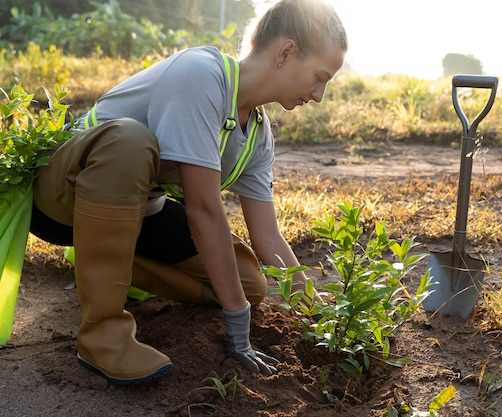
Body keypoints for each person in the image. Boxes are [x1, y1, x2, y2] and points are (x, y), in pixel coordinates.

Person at [28, 0, 347, 385]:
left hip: (135, 213)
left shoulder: (258, 137)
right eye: (319, 76)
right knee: (131, 140)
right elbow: (203, 208)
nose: (319, 94)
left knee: (248, 284)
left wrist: (321, 311)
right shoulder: (201, 74)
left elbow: (268, 237)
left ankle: (103, 271)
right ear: (286, 52)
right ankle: (102, 336)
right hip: (62, 196)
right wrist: (237, 324)